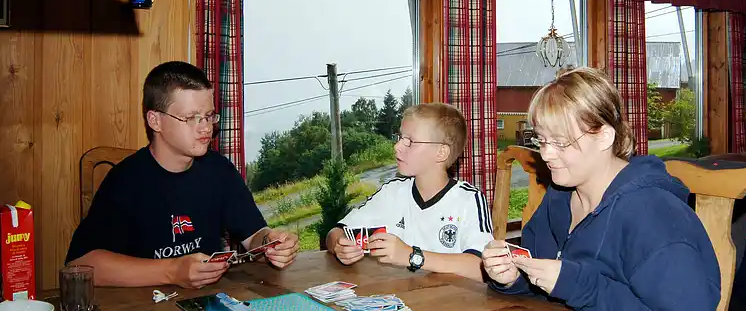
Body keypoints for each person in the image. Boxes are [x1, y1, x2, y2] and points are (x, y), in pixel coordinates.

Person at [482, 67, 720, 310]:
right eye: (541, 140)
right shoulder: (560, 195)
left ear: (605, 137)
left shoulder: (652, 216)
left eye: (561, 142)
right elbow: (546, 280)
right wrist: (513, 277)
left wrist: (579, 286)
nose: (546, 154)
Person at [65, 61, 299, 288]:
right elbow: (80, 264)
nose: (206, 127)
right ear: (155, 120)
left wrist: (270, 243)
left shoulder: (219, 170)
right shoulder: (125, 181)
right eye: (191, 118)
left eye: (209, 116)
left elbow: (253, 236)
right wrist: (172, 271)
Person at [326, 103, 494, 281]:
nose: (397, 146)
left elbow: (481, 267)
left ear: (441, 152)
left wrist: (411, 256)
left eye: (410, 141)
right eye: (400, 137)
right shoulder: (392, 192)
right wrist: (339, 245)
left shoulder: (468, 200)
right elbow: (336, 232)